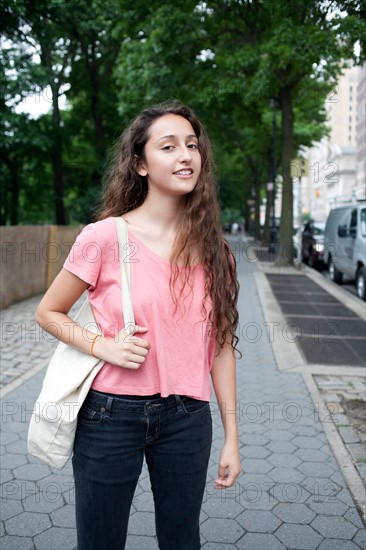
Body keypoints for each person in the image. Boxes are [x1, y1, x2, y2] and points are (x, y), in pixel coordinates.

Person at [36, 100, 242, 550]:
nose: (185, 155)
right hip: (110, 414)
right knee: (100, 541)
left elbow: (221, 346)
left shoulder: (216, 250)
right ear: (140, 163)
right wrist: (101, 346)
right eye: (168, 146)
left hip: (188, 417)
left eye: (191, 145)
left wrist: (232, 438)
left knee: (182, 540)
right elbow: (48, 312)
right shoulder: (105, 237)